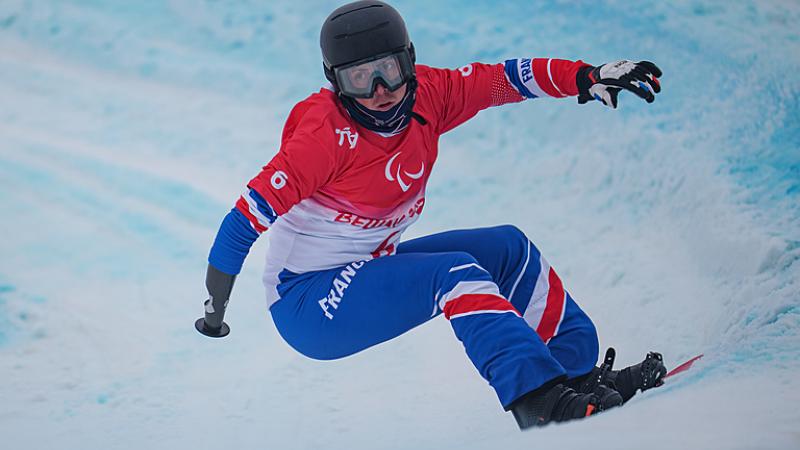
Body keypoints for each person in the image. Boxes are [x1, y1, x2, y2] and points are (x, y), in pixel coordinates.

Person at [195, 0, 667, 430]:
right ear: (335, 82)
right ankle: (538, 400)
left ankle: (574, 377)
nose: (380, 91)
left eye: (390, 71)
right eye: (360, 79)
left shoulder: (431, 96)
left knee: (508, 247)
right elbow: (240, 224)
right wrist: (214, 316)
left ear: (410, 62)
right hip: (309, 304)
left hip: (368, 265)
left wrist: (583, 76)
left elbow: (507, 79)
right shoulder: (322, 139)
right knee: (452, 274)